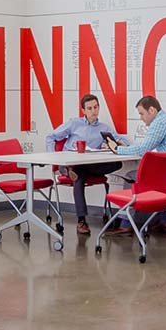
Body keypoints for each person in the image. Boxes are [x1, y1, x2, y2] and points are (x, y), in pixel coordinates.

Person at [106, 96, 166, 233]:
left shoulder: (159, 123)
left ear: (151, 110)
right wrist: (126, 147)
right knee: (157, 179)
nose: (141, 118)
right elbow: (145, 147)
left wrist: (116, 149)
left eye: (141, 113)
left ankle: (125, 223)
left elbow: (142, 150)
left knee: (132, 177)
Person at [46, 93, 122, 235]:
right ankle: (81, 220)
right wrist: (53, 156)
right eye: (90, 108)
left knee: (117, 164)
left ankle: (74, 171)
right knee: (79, 175)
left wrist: (113, 145)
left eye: (96, 107)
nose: (94, 111)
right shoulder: (74, 123)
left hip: (88, 165)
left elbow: (119, 140)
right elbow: (51, 137)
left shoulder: (104, 128)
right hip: (70, 161)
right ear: (83, 110)